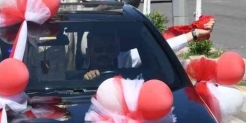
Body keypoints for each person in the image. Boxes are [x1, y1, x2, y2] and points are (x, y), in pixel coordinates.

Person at [81, 24, 215, 81]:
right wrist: (85, 80)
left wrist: (194, 34)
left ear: (115, 50)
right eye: (99, 50)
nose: (104, 53)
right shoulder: (74, 72)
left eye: (109, 49)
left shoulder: (125, 59)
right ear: (88, 52)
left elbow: (162, 48)